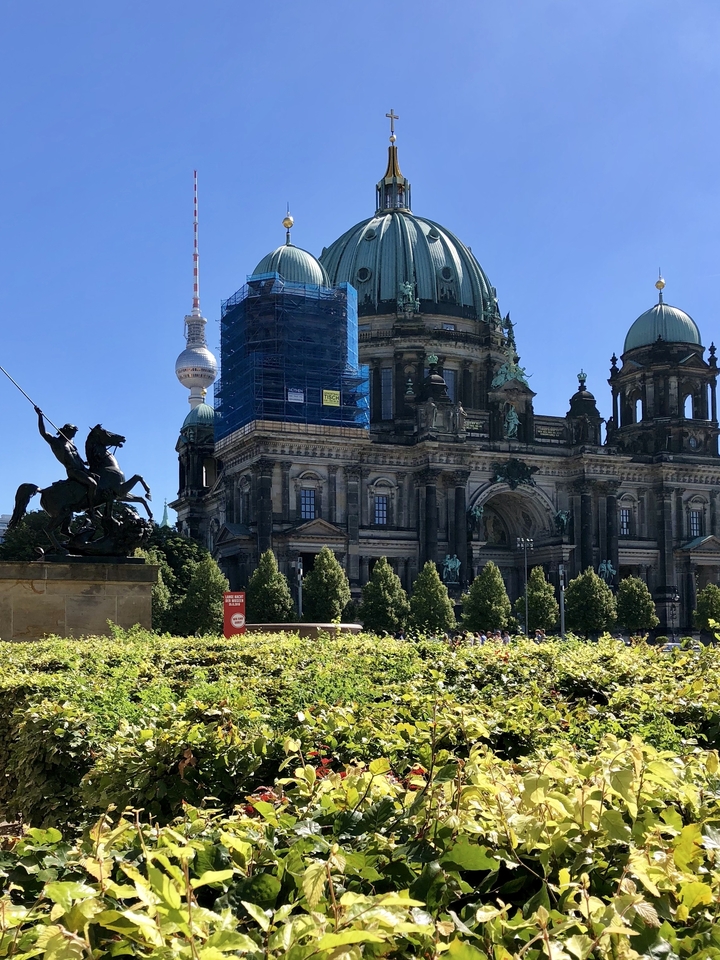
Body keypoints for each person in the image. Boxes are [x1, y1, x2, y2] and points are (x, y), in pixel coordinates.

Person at [35, 406, 97, 506]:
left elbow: (77, 457)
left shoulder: (71, 442)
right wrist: (40, 416)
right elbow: (43, 433)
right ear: (66, 431)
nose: (73, 436)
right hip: (73, 471)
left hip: (82, 469)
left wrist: (85, 462)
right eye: (72, 433)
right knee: (92, 484)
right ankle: (91, 509)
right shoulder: (56, 442)